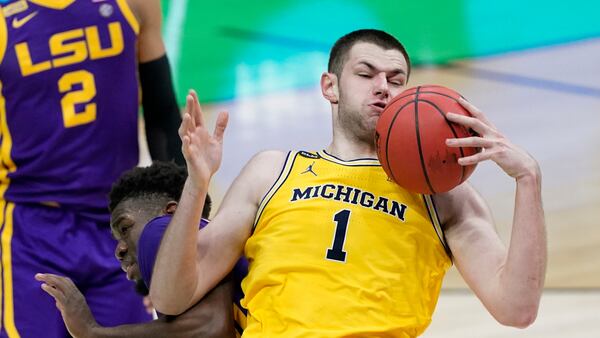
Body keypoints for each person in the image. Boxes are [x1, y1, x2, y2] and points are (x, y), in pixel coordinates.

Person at [151, 29, 546, 337]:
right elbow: (171, 297)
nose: (383, 87)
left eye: (396, 79)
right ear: (330, 86)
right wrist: (197, 183)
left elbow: (516, 309)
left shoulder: (442, 195)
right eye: (365, 73)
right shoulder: (272, 171)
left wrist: (528, 179)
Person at [0, 0, 183, 336]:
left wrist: (175, 220)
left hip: (117, 226)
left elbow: (162, 112)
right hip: (30, 227)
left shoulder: (135, 3)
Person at [36, 161, 248, 337]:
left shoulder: (158, 228)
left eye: (125, 228)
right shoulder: (210, 249)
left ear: (172, 212)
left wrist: (91, 331)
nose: (118, 250)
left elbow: (209, 331)